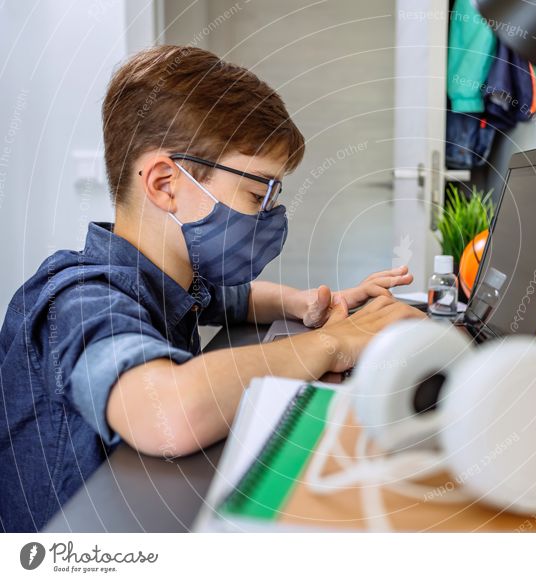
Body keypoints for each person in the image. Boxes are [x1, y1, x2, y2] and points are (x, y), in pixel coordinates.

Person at [0, 45, 424, 532]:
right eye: (257, 192)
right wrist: (335, 343)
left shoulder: (167, 281)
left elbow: (233, 299)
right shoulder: (78, 299)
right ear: (165, 184)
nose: (271, 214)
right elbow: (167, 414)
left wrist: (305, 304)